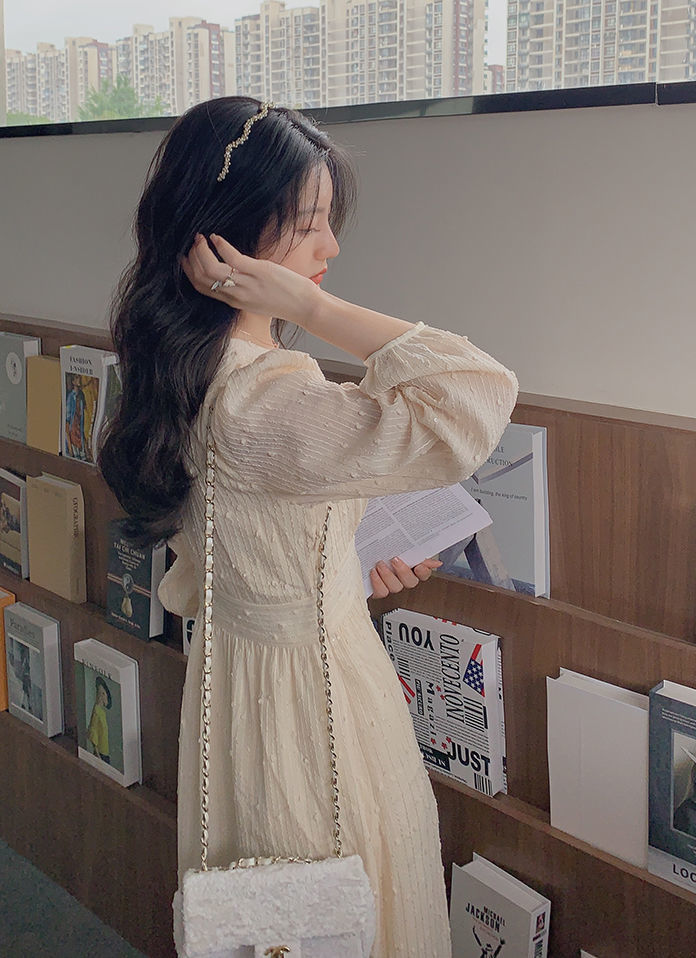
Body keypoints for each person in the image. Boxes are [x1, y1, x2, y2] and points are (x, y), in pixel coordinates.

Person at [97, 96, 519, 957]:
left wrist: (343, 572)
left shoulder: (191, 372)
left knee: (277, 915)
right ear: (231, 238)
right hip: (315, 707)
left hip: (242, 691)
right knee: (342, 910)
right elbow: (477, 393)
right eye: (307, 224)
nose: (329, 249)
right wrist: (316, 308)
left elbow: (225, 560)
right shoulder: (265, 394)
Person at [87, 676, 112, 764]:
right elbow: (93, 731)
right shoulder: (96, 710)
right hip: (100, 754)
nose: (101, 696)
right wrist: (98, 756)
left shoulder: (102, 712)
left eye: (103, 693)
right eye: (99, 692)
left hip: (105, 752)